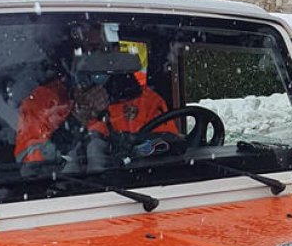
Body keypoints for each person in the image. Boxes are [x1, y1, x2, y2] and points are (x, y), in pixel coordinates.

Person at [14, 22, 177, 170]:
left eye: (104, 50)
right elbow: (30, 168)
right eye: (88, 51)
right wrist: (75, 122)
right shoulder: (41, 103)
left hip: (135, 194)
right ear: (70, 56)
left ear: (117, 51)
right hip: (64, 196)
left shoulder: (145, 101)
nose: (97, 59)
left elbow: (169, 153)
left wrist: (130, 146)